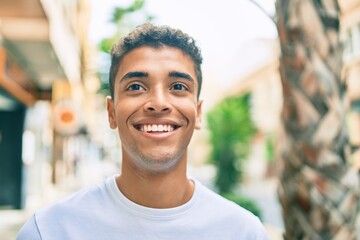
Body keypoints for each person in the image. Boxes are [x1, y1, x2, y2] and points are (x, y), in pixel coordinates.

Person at [17, 23, 269, 240]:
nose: (158, 103)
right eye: (136, 86)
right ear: (111, 112)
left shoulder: (243, 232)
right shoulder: (50, 231)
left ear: (198, 112)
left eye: (178, 86)